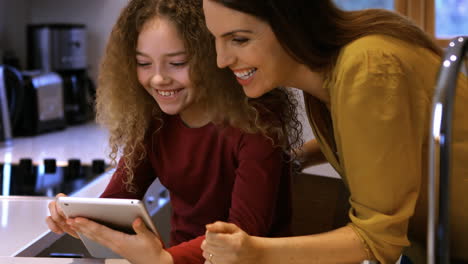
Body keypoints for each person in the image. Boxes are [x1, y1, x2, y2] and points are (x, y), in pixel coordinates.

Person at [201, 0, 468, 263]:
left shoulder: (367, 66)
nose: (221, 60)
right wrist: (300, 156)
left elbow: (377, 241)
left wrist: (256, 252)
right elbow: (382, 140)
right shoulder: (338, 64)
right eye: (215, 38)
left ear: (292, 24)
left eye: (238, 39)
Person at [45, 0, 303, 263]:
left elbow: (244, 234)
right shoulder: (154, 122)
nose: (158, 79)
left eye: (177, 63)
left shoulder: (258, 120)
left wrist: (164, 260)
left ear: (212, 56)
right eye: (144, 63)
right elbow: (116, 203)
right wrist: (77, 219)